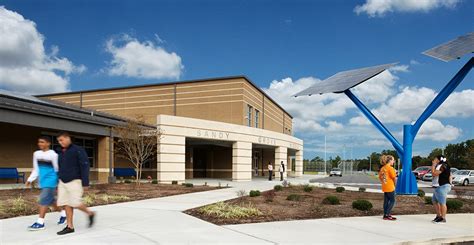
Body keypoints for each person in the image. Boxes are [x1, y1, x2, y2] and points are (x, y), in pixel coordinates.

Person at [56, 132, 95, 235]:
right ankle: (70, 226)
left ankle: (90, 213)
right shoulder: (60, 152)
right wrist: (58, 180)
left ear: (68, 138)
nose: (60, 142)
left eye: (62, 140)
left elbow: (85, 166)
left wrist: (85, 182)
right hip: (62, 181)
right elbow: (59, 167)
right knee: (66, 203)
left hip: (75, 181)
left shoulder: (78, 150)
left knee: (75, 203)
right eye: (59, 141)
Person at [26, 136, 67, 231]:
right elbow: (36, 168)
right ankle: (63, 214)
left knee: (43, 199)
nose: (40, 144)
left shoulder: (53, 155)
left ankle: (40, 222)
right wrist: (30, 179)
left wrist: (59, 181)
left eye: (42, 142)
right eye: (39, 142)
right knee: (51, 200)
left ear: (48, 143)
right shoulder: (36, 154)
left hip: (51, 179)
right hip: (42, 180)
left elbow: (57, 169)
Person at [431, 155, 452, 224]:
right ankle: (439, 216)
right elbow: (450, 175)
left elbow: (434, 174)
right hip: (439, 187)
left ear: (438, 160)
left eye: (435, 159)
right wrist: (450, 184)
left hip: (442, 186)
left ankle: (443, 218)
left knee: (442, 203)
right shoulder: (445, 165)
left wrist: (433, 165)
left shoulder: (442, 166)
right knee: (434, 201)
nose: (433, 160)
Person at [378, 155, 397, 221]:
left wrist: (384, 182)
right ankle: (388, 214)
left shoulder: (383, 168)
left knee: (386, 201)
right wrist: (395, 185)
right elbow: (394, 178)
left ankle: (385, 215)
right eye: (393, 160)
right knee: (392, 200)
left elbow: (380, 177)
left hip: (385, 186)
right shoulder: (390, 168)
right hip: (390, 186)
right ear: (389, 161)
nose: (393, 161)